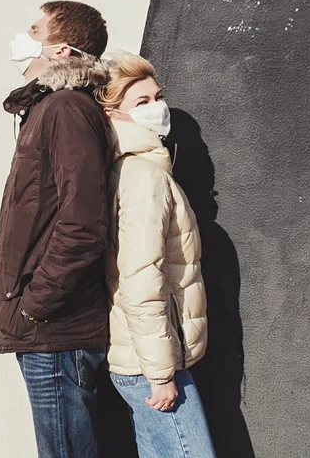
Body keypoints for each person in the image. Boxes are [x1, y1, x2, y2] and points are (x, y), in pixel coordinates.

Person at [0, 1, 112, 458]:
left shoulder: (64, 109)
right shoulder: (46, 108)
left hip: (57, 329)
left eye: (34, 28)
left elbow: (83, 224)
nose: (24, 36)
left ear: (60, 50)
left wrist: (36, 306)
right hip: (47, 327)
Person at [95, 52, 216, 458]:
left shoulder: (137, 169)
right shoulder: (143, 178)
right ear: (113, 114)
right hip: (152, 365)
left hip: (146, 358)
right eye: (141, 102)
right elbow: (140, 280)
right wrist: (162, 374)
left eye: (157, 97)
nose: (157, 108)